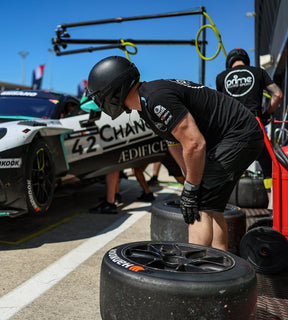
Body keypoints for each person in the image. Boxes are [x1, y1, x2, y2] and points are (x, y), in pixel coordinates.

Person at [87, 56, 264, 250]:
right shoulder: (146, 106)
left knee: (198, 205)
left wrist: (192, 189)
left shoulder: (156, 98)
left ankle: (197, 273)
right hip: (237, 135)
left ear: (114, 90)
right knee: (210, 205)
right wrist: (190, 182)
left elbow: (195, 144)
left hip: (239, 134)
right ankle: (219, 265)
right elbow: (175, 144)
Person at [216, 48, 283, 196]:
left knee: (226, 167)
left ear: (229, 62)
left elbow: (219, 107)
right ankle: (271, 201)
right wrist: (266, 113)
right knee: (267, 165)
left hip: (231, 129)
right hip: (254, 124)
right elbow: (277, 94)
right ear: (246, 60)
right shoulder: (258, 72)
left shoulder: (221, 77)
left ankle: (224, 207)